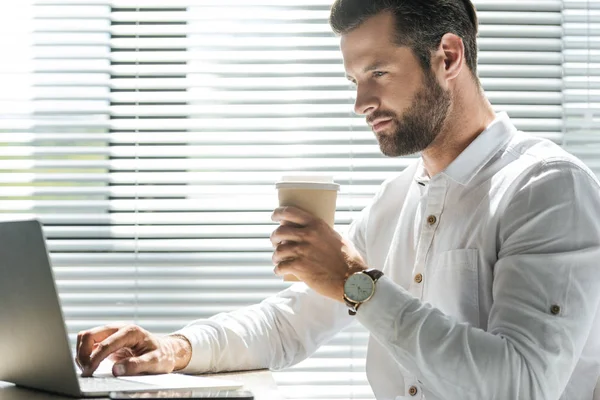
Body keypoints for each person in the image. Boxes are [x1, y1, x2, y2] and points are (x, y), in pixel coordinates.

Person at [76, 1, 600, 399]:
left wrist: (358, 285)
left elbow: (523, 385)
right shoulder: (395, 202)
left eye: (378, 73)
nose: (360, 104)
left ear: (447, 56)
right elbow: (289, 322)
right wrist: (174, 348)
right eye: (353, 79)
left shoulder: (547, 189)